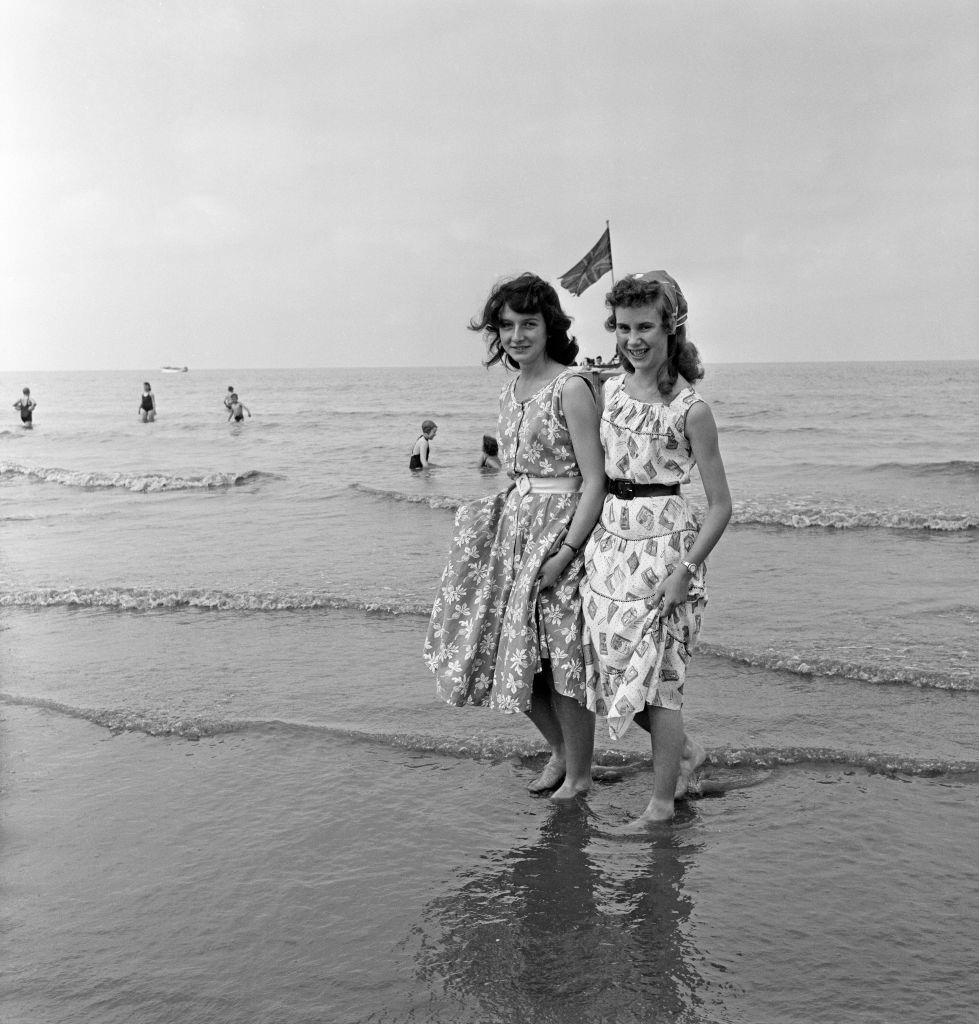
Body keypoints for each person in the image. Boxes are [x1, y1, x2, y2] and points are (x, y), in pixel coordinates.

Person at [425, 273, 606, 801]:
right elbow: (516, 471)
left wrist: (568, 550)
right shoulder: (510, 390)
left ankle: (581, 773)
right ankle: (561, 751)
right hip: (515, 532)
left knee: (561, 660)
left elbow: (593, 480)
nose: (517, 335)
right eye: (506, 326)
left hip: (562, 533)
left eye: (529, 323)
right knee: (508, 647)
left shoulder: (571, 386)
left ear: (550, 326)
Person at [581, 270, 732, 827]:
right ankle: (687, 754)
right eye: (622, 327)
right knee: (612, 669)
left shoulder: (692, 409)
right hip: (608, 545)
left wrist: (684, 572)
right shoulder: (607, 391)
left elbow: (720, 504)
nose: (632, 339)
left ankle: (662, 805)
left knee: (660, 681)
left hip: (665, 550)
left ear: (671, 329)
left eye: (645, 326)